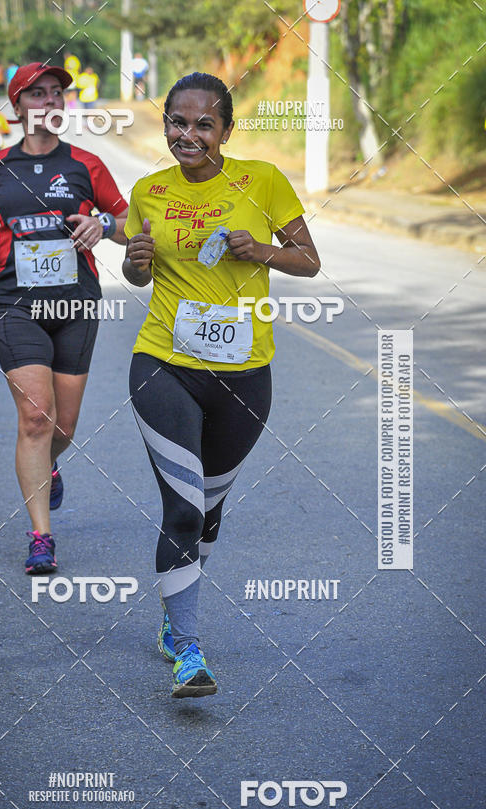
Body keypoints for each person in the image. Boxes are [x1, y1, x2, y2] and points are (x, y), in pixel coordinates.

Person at [123, 72, 320, 699]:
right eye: (178, 123)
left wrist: (260, 249)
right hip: (163, 364)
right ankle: (186, 648)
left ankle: (171, 610)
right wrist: (134, 262)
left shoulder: (262, 180)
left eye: (204, 124)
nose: (189, 134)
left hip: (244, 377)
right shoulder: (148, 190)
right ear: (166, 128)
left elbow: (309, 261)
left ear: (226, 132)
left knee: (207, 516)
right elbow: (134, 272)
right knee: (181, 508)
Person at [0, 62, 128, 574]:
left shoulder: (87, 164)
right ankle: (41, 537)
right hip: (15, 303)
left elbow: (128, 222)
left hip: (75, 302)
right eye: (37, 94)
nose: (49, 102)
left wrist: (101, 223)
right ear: (17, 107)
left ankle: (50, 465)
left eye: (56, 93)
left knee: (64, 424)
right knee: (36, 418)